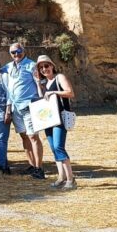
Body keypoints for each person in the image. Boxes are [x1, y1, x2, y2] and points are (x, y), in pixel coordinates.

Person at [35, 55, 77, 190]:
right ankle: (61, 177)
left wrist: (54, 92)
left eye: (46, 66)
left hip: (60, 118)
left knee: (59, 147)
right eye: (41, 67)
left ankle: (70, 179)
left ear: (52, 65)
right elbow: (42, 100)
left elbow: (70, 93)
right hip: (49, 119)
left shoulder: (60, 78)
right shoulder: (44, 83)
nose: (44, 69)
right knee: (54, 148)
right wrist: (37, 83)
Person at [3, 42, 44, 178]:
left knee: (33, 136)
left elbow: (40, 83)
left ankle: (39, 168)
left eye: (18, 51)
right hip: (15, 108)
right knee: (24, 136)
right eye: (13, 52)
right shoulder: (9, 67)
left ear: (23, 51)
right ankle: (32, 165)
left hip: (28, 106)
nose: (16, 54)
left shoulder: (31, 65)